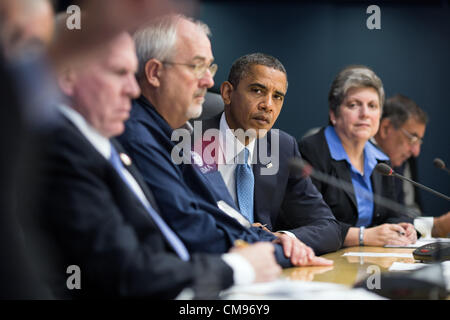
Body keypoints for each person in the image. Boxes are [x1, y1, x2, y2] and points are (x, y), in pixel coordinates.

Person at [29, 32, 282, 299]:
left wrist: (267, 243)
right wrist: (242, 265)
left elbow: (215, 210)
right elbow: (132, 265)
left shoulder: (123, 141)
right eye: (118, 72)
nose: (132, 88)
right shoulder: (81, 147)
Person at [118, 14, 332, 267]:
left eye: (210, 68)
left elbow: (220, 216)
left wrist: (278, 240)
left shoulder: (281, 146)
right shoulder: (177, 138)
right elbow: (195, 227)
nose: (208, 80)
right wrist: (278, 253)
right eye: (197, 66)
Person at [195, 53, 343, 255]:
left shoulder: (281, 147)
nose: (268, 105)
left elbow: (328, 228)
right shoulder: (192, 142)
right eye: (257, 91)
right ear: (228, 93)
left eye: (277, 97)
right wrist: (245, 234)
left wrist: (281, 239)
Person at [299, 65, 417, 247]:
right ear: (333, 113)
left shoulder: (381, 160)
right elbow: (307, 222)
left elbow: (393, 212)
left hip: (370, 261)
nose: (365, 114)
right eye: (354, 105)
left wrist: (402, 227)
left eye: (372, 106)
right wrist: (363, 236)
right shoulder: (311, 151)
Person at [372, 94, 450, 238]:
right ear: (385, 128)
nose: (416, 152)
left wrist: (432, 226)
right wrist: (436, 226)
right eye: (412, 139)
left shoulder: (402, 160)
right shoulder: (361, 157)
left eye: (419, 141)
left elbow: (409, 211)